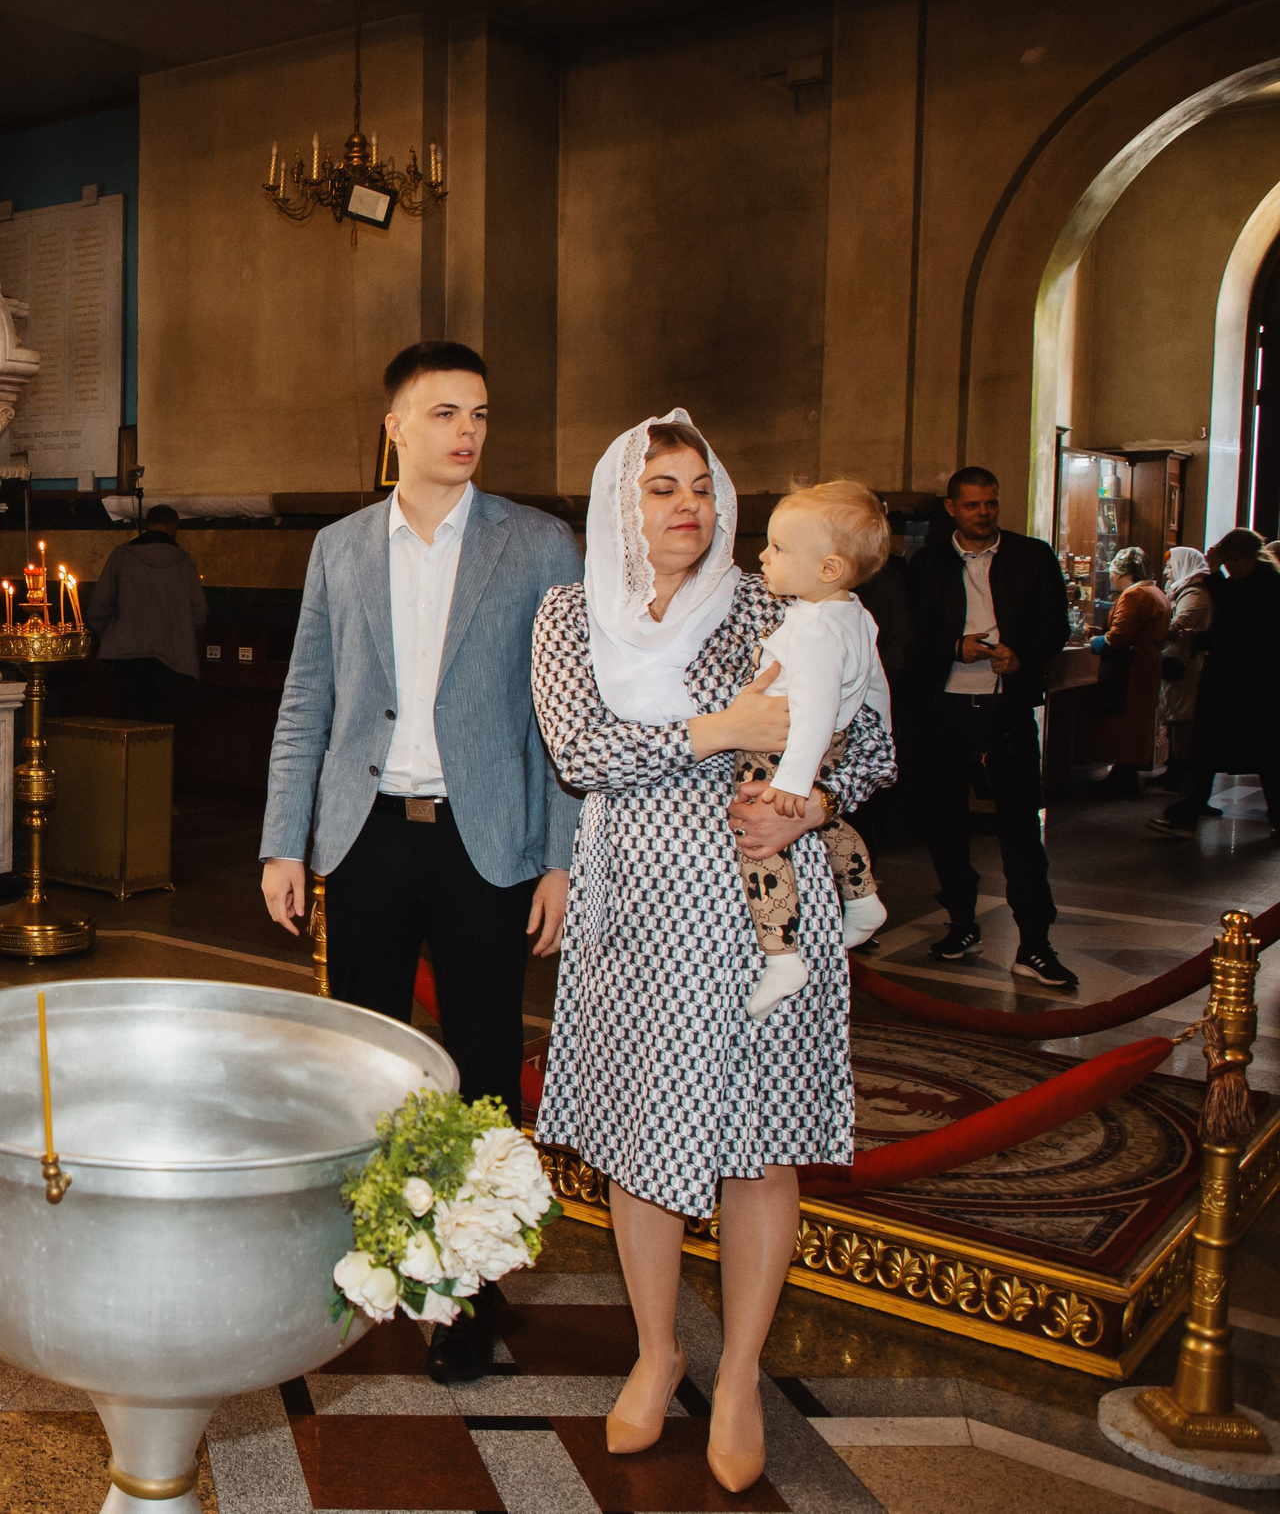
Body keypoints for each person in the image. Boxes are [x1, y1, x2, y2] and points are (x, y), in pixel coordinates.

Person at [531, 413, 896, 1494]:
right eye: (661, 487)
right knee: (642, 1132)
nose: (686, 505)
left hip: (756, 905)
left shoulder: (777, 600)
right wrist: (725, 730)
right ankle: (657, 1352)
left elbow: (871, 744)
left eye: (700, 486)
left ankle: (737, 1376)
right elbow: (582, 750)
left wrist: (812, 804)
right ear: (620, 505)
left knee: (758, 1143)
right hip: (634, 903)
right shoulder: (568, 613)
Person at [260, 340, 580, 1384]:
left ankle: (472, 1293)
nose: (467, 431)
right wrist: (284, 841)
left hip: (487, 843)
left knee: (484, 1066)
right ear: (394, 426)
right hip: (365, 839)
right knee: (365, 1062)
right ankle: (375, 1257)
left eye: (479, 413)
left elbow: (566, 716)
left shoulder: (538, 544)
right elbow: (306, 700)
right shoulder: (340, 546)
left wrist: (561, 858)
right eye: (444, 413)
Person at [900, 467, 1075, 989]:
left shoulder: (1032, 556)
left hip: (1006, 709)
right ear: (952, 508)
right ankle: (962, 923)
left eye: (991, 503)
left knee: (1021, 826)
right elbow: (912, 635)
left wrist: (1022, 658)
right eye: (973, 505)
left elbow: (1055, 625)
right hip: (945, 710)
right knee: (945, 823)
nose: (984, 513)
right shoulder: (928, 563)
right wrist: (955, 647)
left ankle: (1035, 942)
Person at [735, 481, 895, 1021]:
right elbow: (874, 687)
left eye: (779, 548)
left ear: (829, 568)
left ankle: (781, 956)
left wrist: (792, 782)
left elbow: (815, 710)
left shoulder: (815, 630)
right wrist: (882, 730)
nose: (764, 556)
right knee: (828, 826)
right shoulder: (854, 613)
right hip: (826, 748)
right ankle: (863, 897)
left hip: (786, 752)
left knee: (758, 843)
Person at [1147, 529, 1280, 838]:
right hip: (1246, 683)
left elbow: (1241, 626)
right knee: (1254, 755)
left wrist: (1216, 575)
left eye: (1230, 562)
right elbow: (1237, 630)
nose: (1228, 568)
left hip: (1243, 683)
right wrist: (1203, 639)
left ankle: (1185, 816)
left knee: (1216, 750)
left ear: (1244, 558)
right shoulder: (1259, 583)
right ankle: (1185, 815)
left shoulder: (1263, 587)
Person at [91, 504, 210, 725]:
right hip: (169, 664)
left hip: (125, 660)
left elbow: (99, 607)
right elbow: (199, 613)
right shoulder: (185, 563)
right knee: (158, 731)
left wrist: (110, 637)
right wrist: (179, 636)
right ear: (173, 528)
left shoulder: (121, 557)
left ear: (147, 525)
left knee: (124, 728)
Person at [1091, 546, 1170, 798]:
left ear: (1122, 573)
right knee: (1138, 719)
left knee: (1123, 716)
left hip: (1130, 664)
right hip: (1147, 661)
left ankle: (1122, 776)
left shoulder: (1133, 595)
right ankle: (1125, 773)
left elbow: (1119, 636)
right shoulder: (1155, 591)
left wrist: (1096, 642)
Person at [1159, 545, 1213, 776]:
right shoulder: (1184, 591)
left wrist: (1154, 629)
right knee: (1174, 713)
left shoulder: (1194, 594)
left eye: (1170, 567)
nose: (1166, 572)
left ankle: (1179, 768)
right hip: (1177, 660)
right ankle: (1174, 766)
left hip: (1184, 662)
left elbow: (1178, 625)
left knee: (1181, 715)